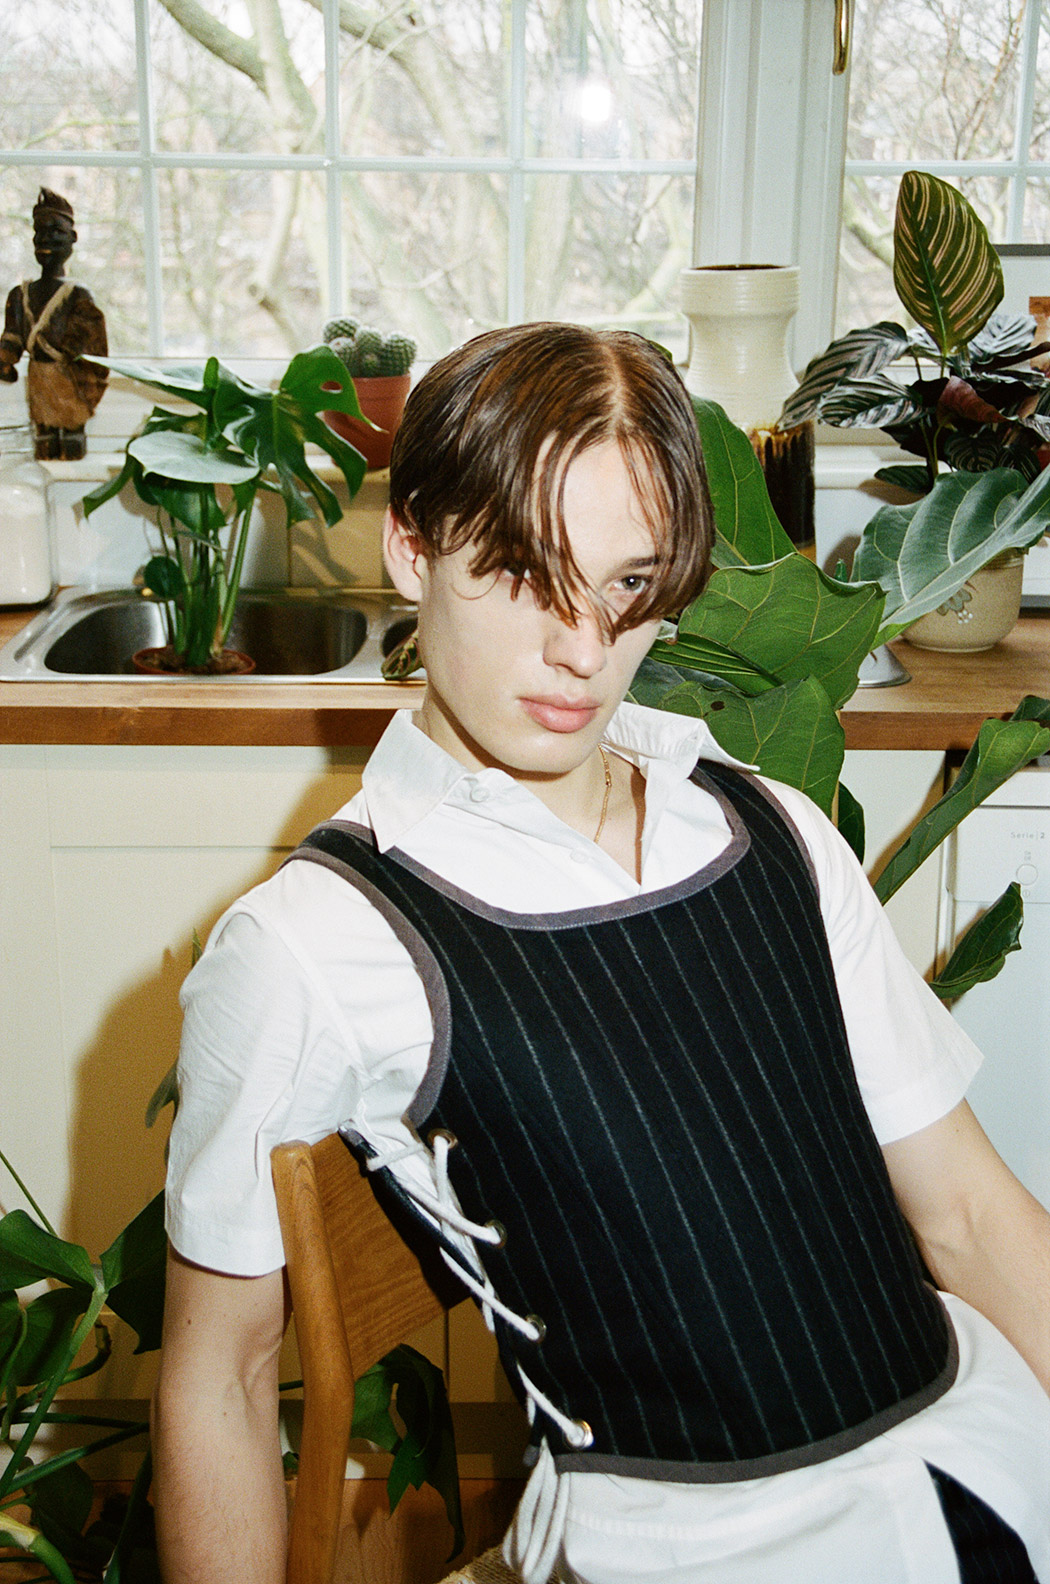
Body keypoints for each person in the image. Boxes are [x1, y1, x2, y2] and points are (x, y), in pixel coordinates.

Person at [155, 323, 1050, 1584]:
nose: (585, 650)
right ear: (411, 547)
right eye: (524, 572)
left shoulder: (771, 832)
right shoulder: (313, 945)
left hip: (991, 1456)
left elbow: (968, 1213)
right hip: (700, 1547)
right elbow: (225, 1378)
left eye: (629, 585)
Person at [0, 188, 108, 460]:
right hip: (39, 382)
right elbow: (12, 336)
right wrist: (5, 359)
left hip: (68, 383)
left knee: (71, 437)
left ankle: (73, 435)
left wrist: (87, 382)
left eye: (56, 231)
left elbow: (94, 352)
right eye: (40, 231)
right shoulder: (20, 295)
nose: (46, 239)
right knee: (45, 439)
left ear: (72, 238)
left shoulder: (77, 295)